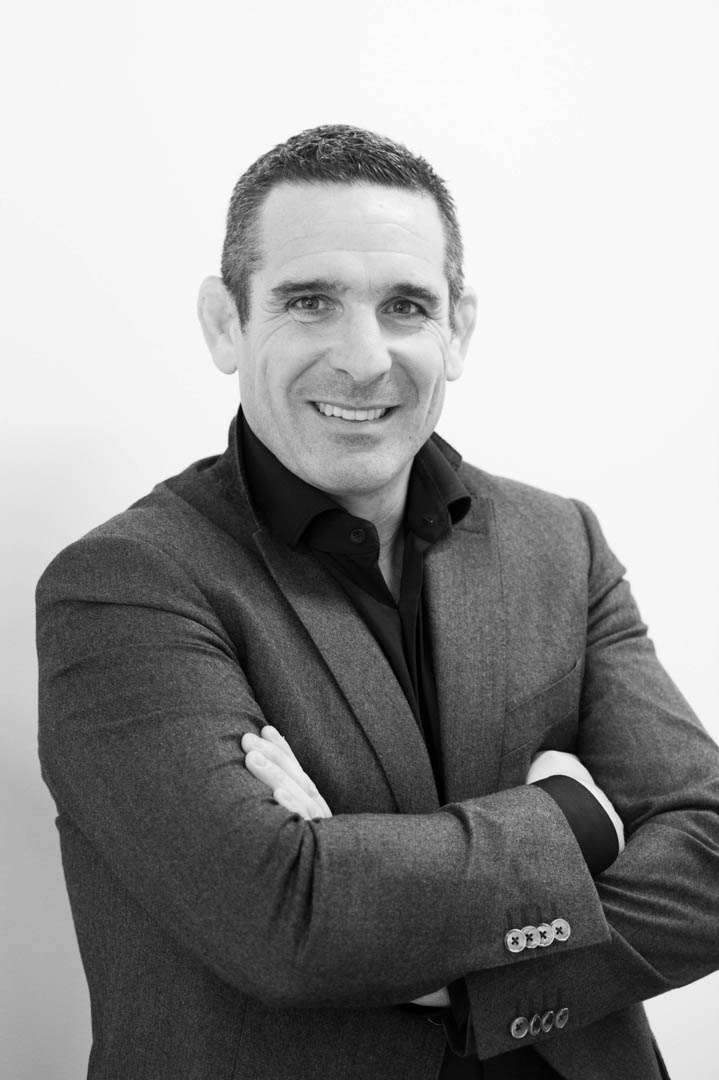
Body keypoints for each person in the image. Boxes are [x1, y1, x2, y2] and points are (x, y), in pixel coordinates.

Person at [36, 124, 719, 1080]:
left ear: (457, 329)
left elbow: (709, 853)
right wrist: (574, 817)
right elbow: (287, 921)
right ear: (226, 324)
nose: (363, 359)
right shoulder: (125, 585)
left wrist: (469, 988)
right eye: (308, 302)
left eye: (404, 306)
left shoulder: (558, 542)